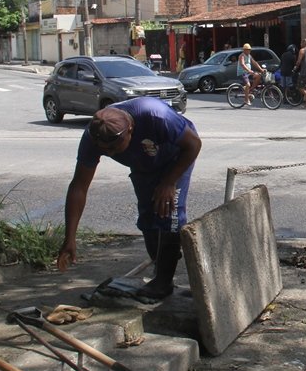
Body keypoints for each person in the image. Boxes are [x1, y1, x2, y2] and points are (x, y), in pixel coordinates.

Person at [56, 98, 201, 301]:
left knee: (169, 212)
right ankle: (162, 267)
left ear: (130, 130)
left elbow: (194, 144)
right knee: (148, 218)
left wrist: (169, 182)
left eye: (114, 149)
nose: (110, 154)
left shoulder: (155, 115)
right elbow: (79, 187)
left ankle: (163, 282)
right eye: (105, 151)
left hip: (176, 156)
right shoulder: (94, 136)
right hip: (143, 165)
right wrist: (69, 237)